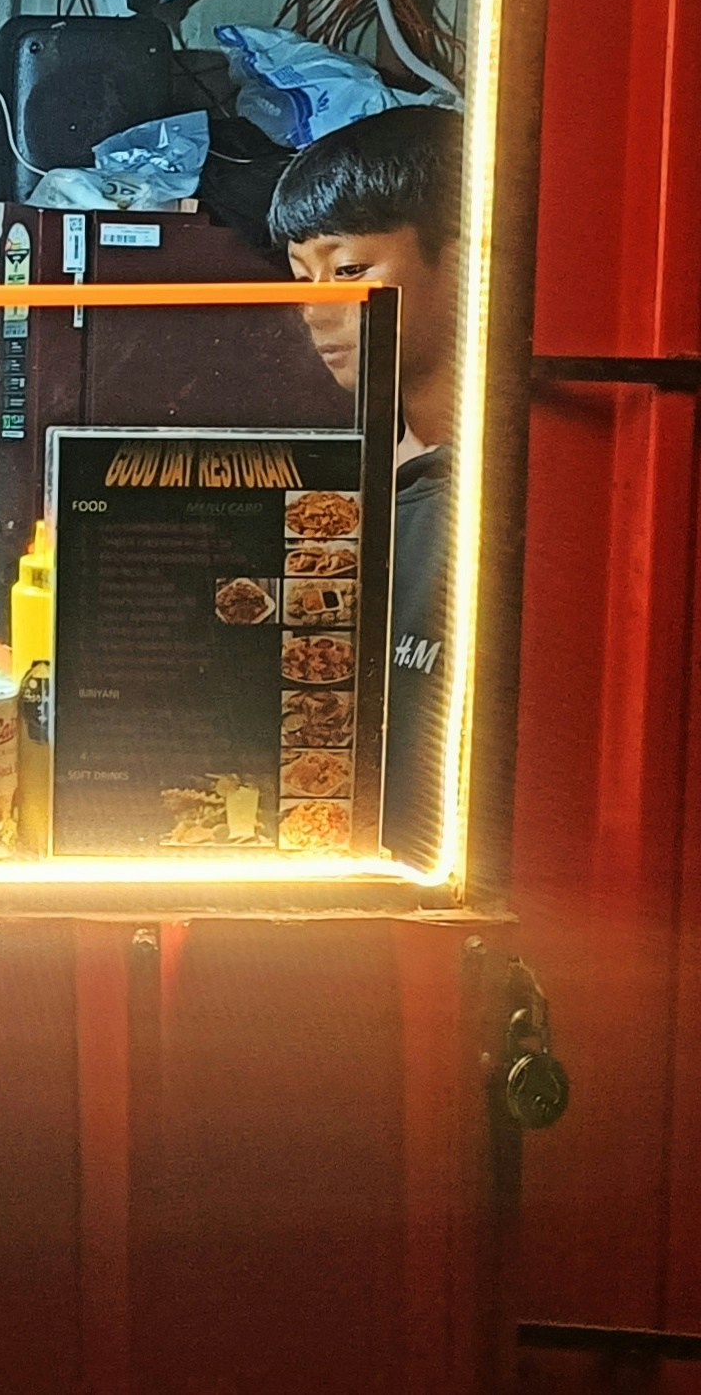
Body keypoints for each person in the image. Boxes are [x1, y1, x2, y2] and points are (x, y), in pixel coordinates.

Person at [270, 104, 463, 865]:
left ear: (465, 263)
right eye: (301, 277)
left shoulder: (501, 499)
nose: (316, 306)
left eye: (349, 270)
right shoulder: (346, 486)